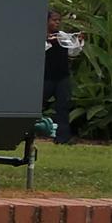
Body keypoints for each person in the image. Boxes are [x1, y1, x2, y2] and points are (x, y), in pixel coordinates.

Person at [45, 8, 80, 145]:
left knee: (63, 107)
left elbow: (73, 52)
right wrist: (48, 41)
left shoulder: (63, 36)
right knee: (36, 105)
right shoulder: (39, 36)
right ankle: (29, 133)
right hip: (45, 77)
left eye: (59, 20)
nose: (57, 23)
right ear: (46, 21)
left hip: (62, 77)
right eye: (54, 20)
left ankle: (63, 138)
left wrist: (78, 41)